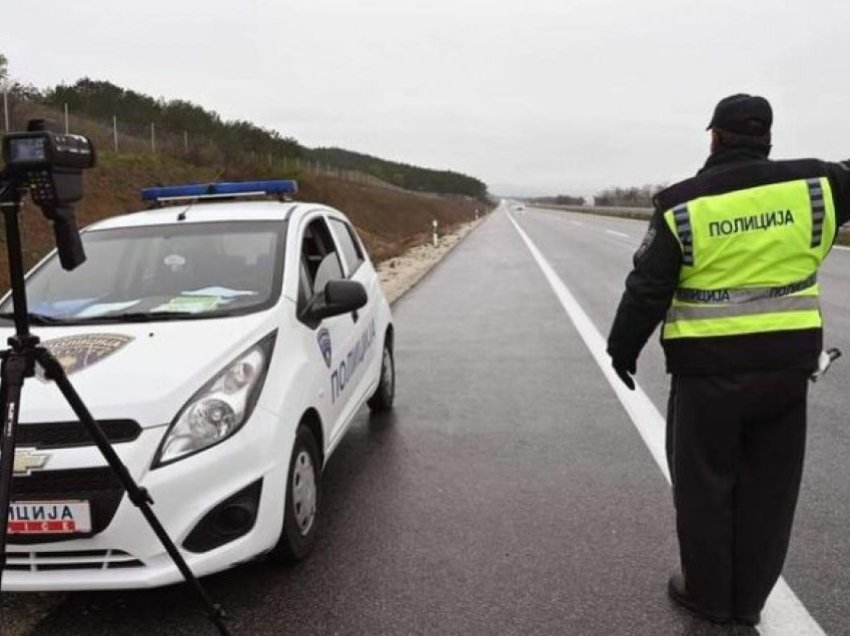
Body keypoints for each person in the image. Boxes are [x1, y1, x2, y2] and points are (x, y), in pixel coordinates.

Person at [606, 93, 850, 626]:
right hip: (787, 369)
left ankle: (710, 596)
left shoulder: (681, 203)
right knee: (771, 489)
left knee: (705, 486)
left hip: (707, 372)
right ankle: (750, 600)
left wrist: (622, 350)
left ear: (714, 136)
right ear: (767, 137)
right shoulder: (819, 184)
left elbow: (648, 288)